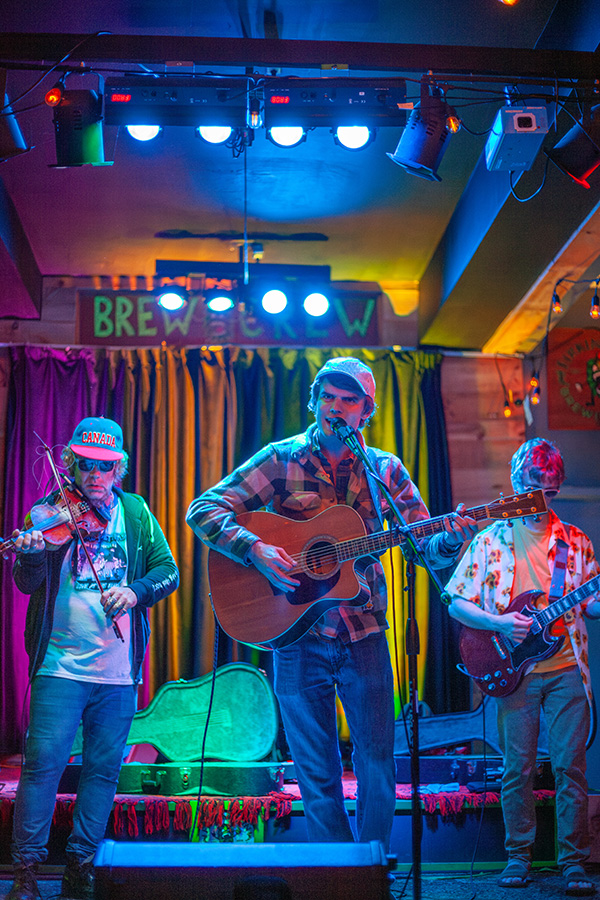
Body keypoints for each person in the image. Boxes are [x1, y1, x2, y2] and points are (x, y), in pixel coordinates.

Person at [186, 356, 476, 849]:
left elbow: (419, 545)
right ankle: (336, 874)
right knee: (317, 774)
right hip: (296, 638)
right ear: (314, 402)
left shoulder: (386, 470)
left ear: (367, 411)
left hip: (364, 634)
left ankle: (371, 867)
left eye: (349, 400)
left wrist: (450, 539)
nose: (336, 408)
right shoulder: (281, 459)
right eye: (328, 397)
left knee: (378, 767)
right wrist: (254, 549)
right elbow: (203, 509)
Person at [7, 417, 180, 900]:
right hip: (58, 667)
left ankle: (81, 865)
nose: (95, 475)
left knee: (103, 771)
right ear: (73, 465)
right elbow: (26, 584)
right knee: (42, 766)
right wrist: (30, 553)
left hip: (117, 674)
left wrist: (134, 590)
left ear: (118, 468)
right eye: (86, 465)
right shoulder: (47, 514)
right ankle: (25, 871)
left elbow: (169, 573)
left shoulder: (138, 513)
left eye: (105, 466)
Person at [446, 438, 600, 896]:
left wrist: (594, 606)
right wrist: (498, 622)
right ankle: (518, 858)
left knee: (571, 767)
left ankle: (573, 863)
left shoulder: (575, 542)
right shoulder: (489, 540)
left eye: (551, 492)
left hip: (568, 668)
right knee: (518, 767)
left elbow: (589, 603)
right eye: (535, 488)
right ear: (517, 482)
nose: (542, 500)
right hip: (515, 671)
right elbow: (455, 602)